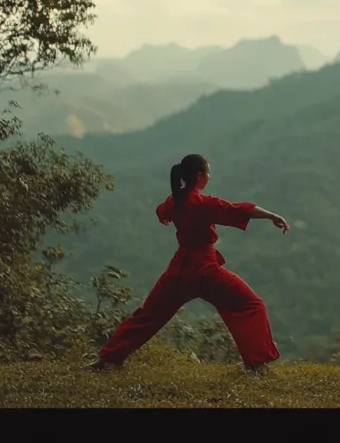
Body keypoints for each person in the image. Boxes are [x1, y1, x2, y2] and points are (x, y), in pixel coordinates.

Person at [87, 154, 289, 373]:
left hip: (179, 270)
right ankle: (256, 364)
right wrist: (271, 216)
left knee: (148, 315)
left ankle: (109, 359)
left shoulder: (174, 201)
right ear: (200, 176)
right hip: (206, 270)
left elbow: (161, 212)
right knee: (251, 305)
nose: (209, 176)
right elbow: (238, 209)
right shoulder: (203, 203)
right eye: (208, 172)